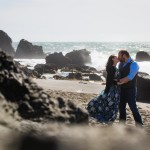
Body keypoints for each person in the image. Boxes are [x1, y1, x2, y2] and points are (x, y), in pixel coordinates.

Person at [87, 55, 120, 123]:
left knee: (108, 102)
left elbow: (113, 79)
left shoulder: (114, 67)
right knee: (110, 102)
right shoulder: (112, 68)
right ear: (113, 59)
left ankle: (109, 116)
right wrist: (118, 83)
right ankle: (108, 117)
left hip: (114, 88)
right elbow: (109, 80)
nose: (118, 58)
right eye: (116, 57)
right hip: (112, 89)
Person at [117, 50, 143, 126]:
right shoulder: (120, 64)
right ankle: (121, 126)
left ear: (124, 55)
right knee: (121, 108)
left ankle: (139, 125)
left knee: (133, 107)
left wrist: (118, 81)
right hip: (121, 89)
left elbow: (130, 77)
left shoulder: (134, 64)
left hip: (130, 90)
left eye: (119, 55)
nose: (118, 57)